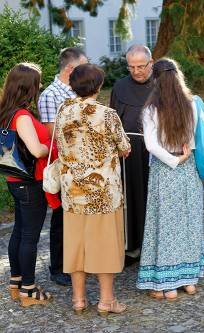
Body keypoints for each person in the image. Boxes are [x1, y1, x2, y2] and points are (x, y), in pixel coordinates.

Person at [137, 59, 204, 300]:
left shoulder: (151, 109)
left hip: (166, 169)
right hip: (189, 166)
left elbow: (151, 145)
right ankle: (189, 280)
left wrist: (173, 160)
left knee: (164, 224)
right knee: (188, 222)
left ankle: (167, 283)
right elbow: (198, 141)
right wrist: (192, 162)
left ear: (155, 79)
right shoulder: (193, 104)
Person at [56, 64, 131, 314]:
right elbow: (124, 147)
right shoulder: (107, 114)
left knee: (76, 244)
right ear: (98, 86)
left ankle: (78, 299)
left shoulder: (63, 111)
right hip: (103, 192)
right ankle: (106, 300)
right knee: (105, 243)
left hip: (72, 192)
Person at [1, 63, 52, 306]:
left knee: (19, 232)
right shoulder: (21, 116)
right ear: (27, 87)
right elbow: (36, 150)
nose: (39, 87)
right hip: (30, 183)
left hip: (14, 179)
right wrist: (52, 146)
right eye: (37, 83)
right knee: (30, 237)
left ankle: (16, 282)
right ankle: (29, 291)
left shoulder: (5, 112)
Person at [38, 47, 88, 286]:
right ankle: (57, 267)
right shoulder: (51, 95)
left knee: (77, 216)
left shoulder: (77, 91)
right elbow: (52, 134)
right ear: (71, 69)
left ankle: (77, 261)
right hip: (63, 163)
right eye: (84, 65)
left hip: (82, 162)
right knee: (60, 218)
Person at [110, 44, 153, 261]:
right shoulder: (120, 86)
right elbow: (113, 120)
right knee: (130, 198)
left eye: (141, 66)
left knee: (152, 196)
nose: (136, 71)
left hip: (156, 152)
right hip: (128, 153)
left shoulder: (161, 85)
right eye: (132, 67)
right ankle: (132, 245)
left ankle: (154, 245)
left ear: (151, 63)